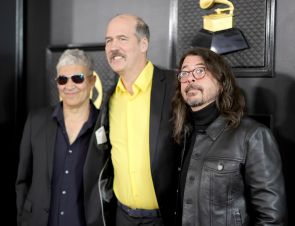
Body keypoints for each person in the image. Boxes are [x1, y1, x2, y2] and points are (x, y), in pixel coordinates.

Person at [172, 47, 287, 226]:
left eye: (200, 71)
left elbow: (271, 219)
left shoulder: (253, 136)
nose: (190, 78)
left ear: (220, 81)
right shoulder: (183, 135)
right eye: (184, 73)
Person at [96, 13, 179, 226]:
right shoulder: (109, 98)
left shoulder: (175, 86)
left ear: (143, 44)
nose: (113, 47)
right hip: (121, 216)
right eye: (108, 41)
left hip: (165, 218)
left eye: (122, 39)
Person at [15, 49, 109, 226]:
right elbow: (22, 180)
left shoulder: (106, 126)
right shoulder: (35, 121)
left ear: (92, 81)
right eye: (63, 79)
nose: (69, 85)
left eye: (78, 78)